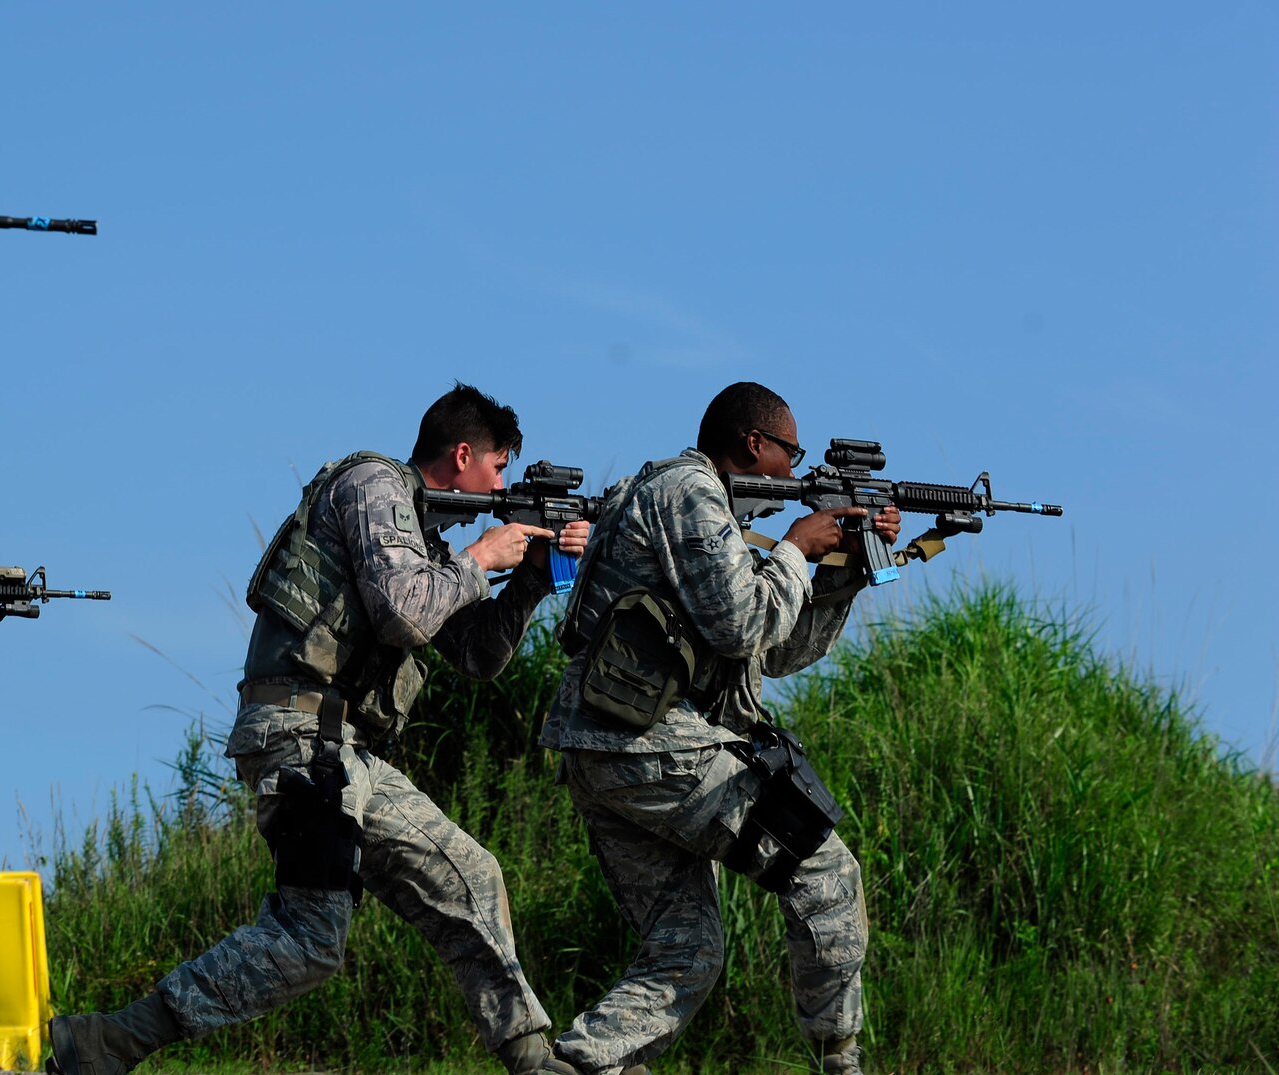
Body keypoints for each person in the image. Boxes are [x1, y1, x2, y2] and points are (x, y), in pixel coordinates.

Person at [48, 384, 592, 1075]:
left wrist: (533, 579)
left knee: (469, 875)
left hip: (348, 754)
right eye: (499, 469)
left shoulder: (423, 540)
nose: (503, 485)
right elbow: (404, 612)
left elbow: (477, 654)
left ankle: (533, 1060)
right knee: (310, 939)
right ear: (463, 455)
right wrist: (482, 558)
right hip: (299, 739)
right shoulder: (372, 484)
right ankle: (107, 1041)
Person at [538, 382, 897, 1075]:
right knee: (826, 871)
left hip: (611, 748)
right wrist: (795, 546)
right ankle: (840, 1061)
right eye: (790, 454)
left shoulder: (688, 503)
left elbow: (775, 649)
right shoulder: (691, 493)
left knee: (687, 951)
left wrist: (842, 568)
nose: (795, 476)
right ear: (752, 443)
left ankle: (583, 1066)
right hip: (644, 745)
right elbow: (743, 624)